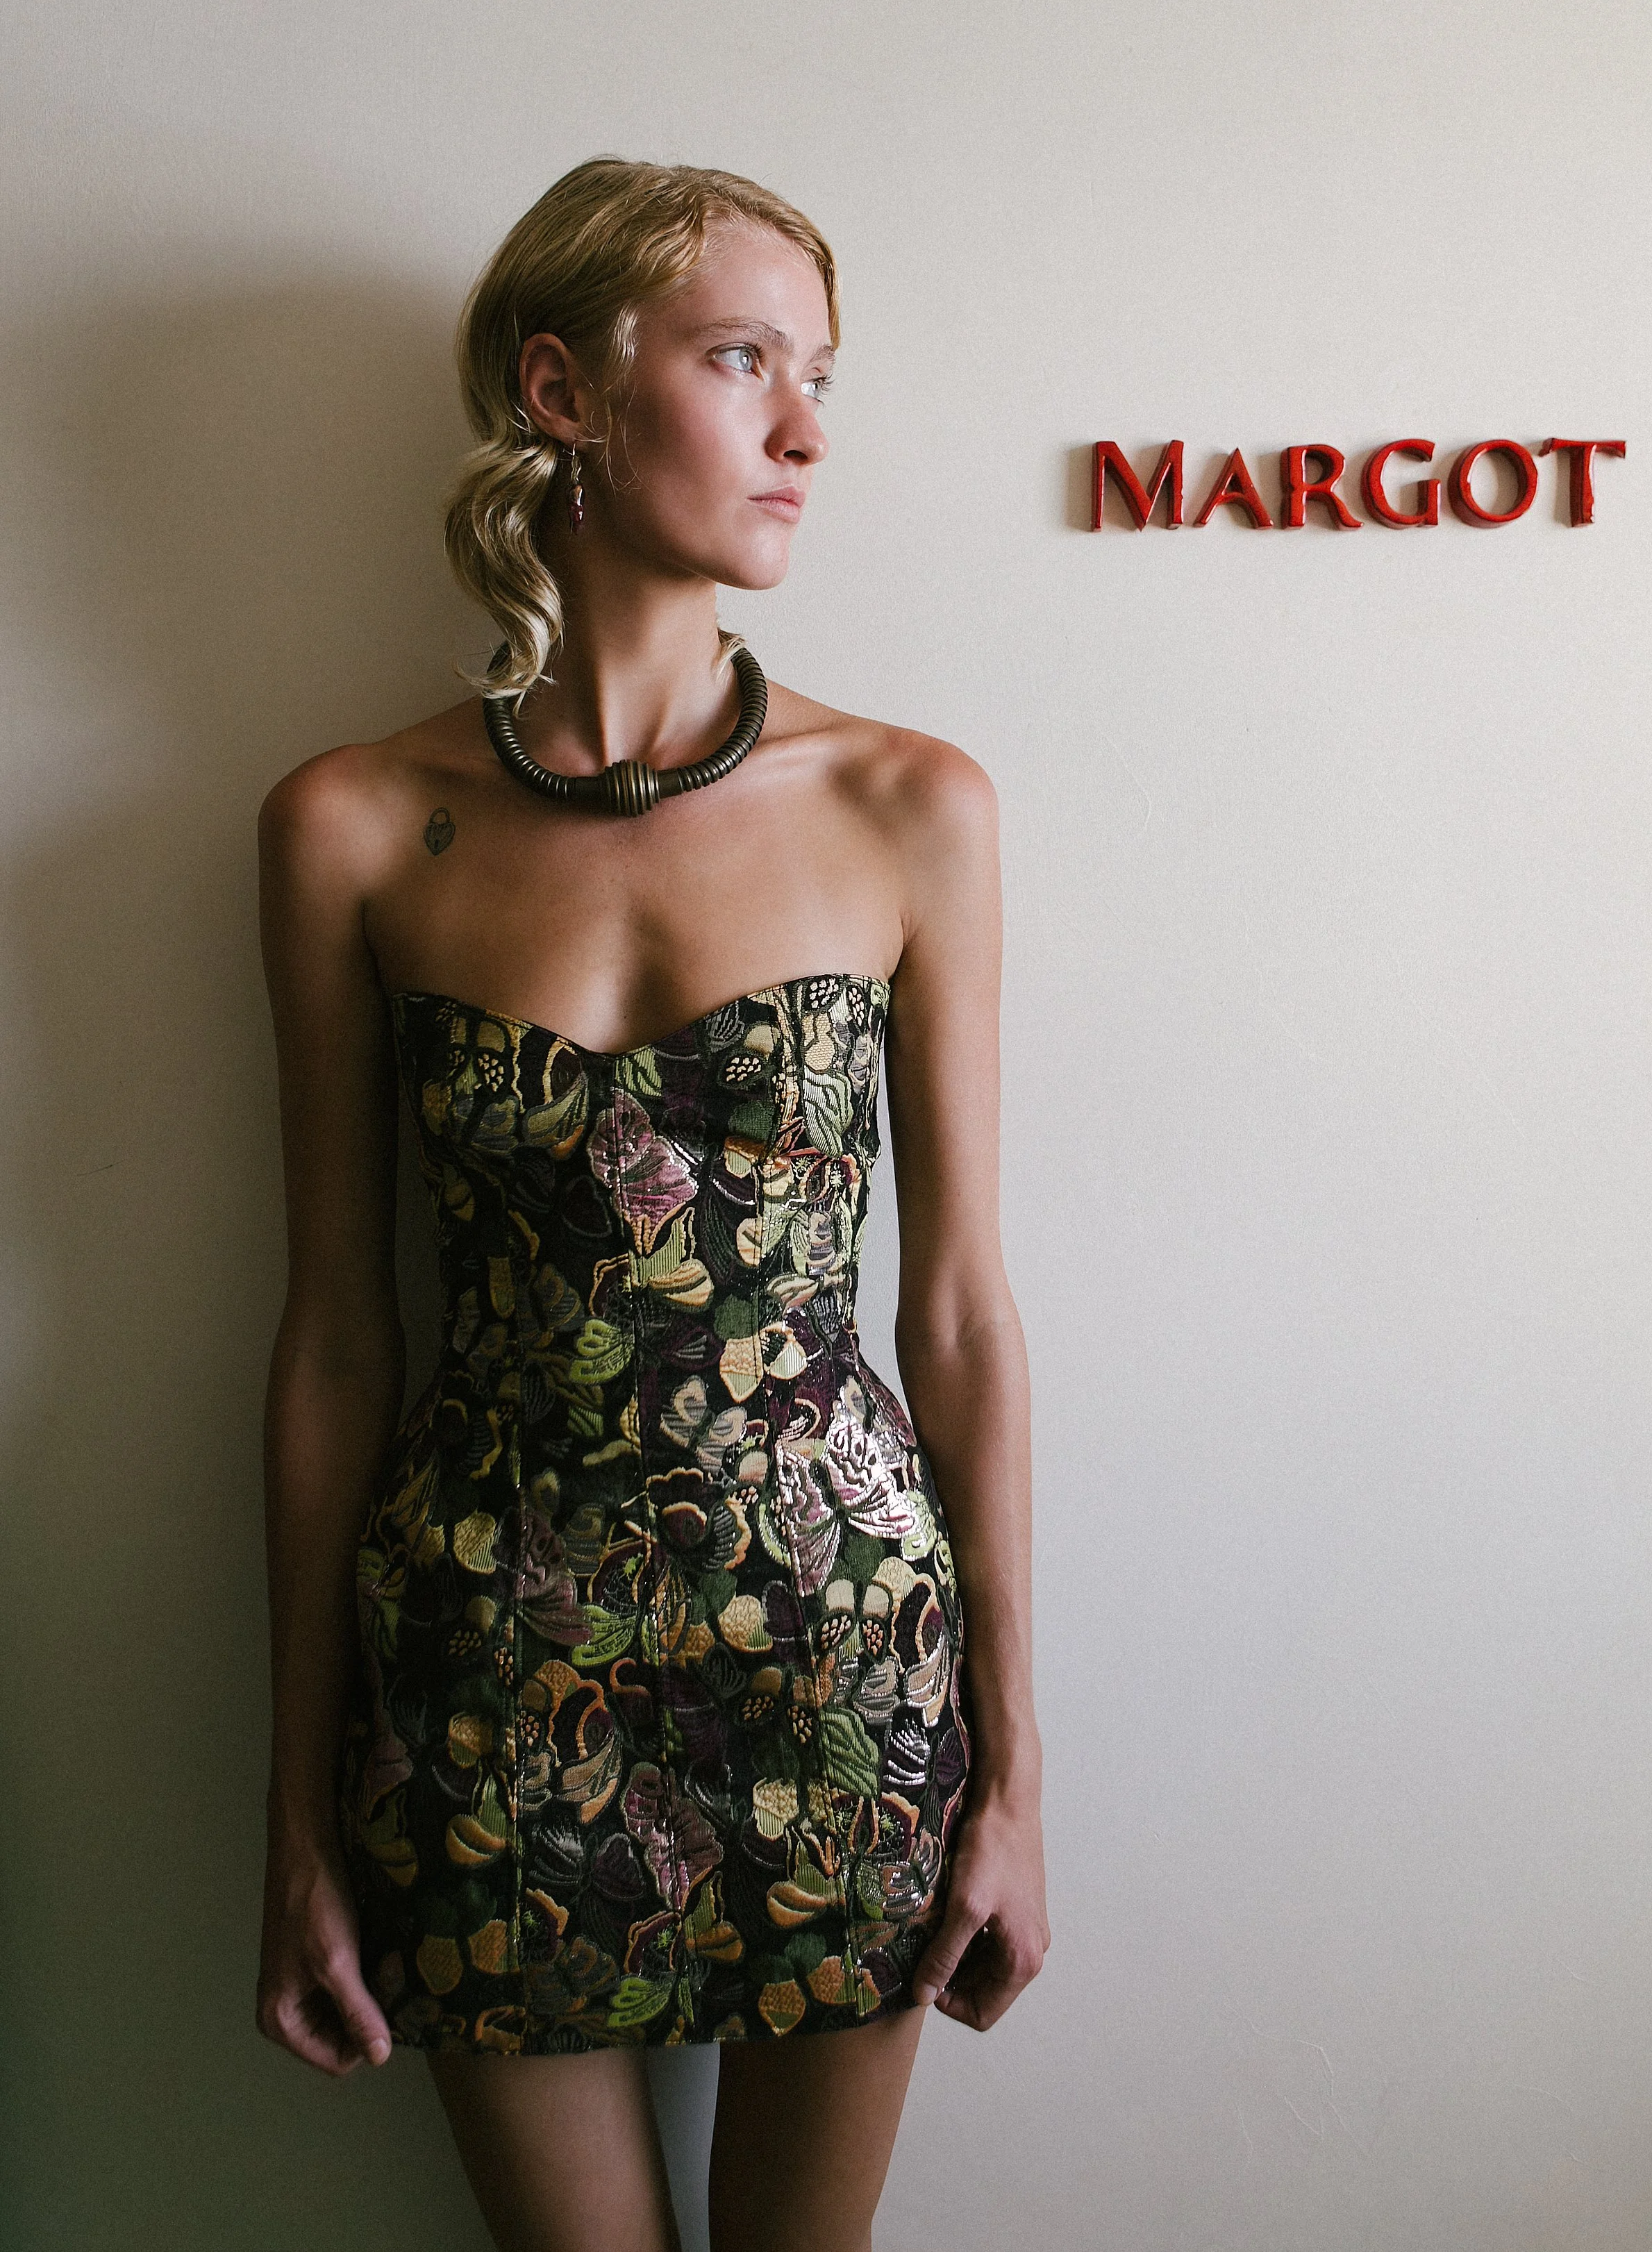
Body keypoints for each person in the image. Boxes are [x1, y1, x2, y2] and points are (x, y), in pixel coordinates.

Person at [254, 158, 1047, 2252]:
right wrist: (302, 1816)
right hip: (481, 1678)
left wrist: (1013, 1777)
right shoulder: (354, 826)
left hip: (843, 1665)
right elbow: (336, 1335)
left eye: (820, 375)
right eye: (742, 358)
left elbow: (959, 1313)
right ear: (565, 393)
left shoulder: (908, 806)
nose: (805, 430)